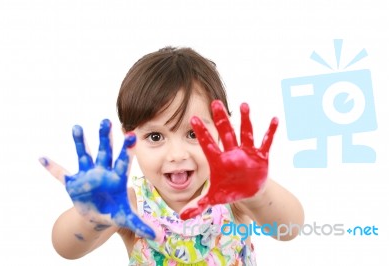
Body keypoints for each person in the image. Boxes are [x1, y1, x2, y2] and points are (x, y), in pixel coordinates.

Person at [40, 47, 304, 265]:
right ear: (130, 139)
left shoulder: (231, 194)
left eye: (194, 134)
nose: (177, 154)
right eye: (155, 137)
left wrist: (257, 191)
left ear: (222, 128)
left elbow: (289, 229)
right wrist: (92, 216)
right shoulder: (130, 205)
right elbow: (66, 248)